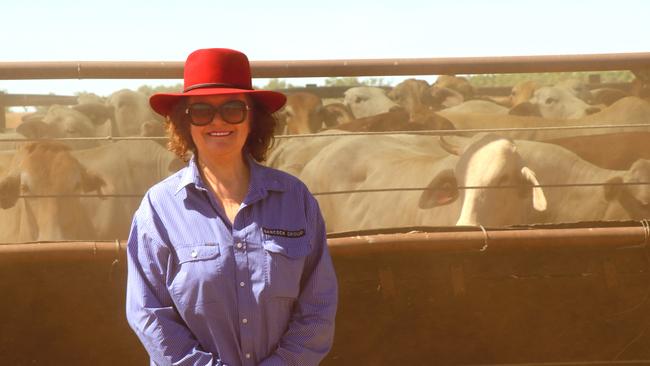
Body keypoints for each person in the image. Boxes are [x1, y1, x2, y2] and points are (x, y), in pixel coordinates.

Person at [125, 48, 338, 366]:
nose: (218, 122)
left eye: (233, 109)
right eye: (201, 111)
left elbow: (318, 306)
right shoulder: (158, 208)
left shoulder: (295, 198)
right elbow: (149, 314)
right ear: (186, 122)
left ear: (253, 118)